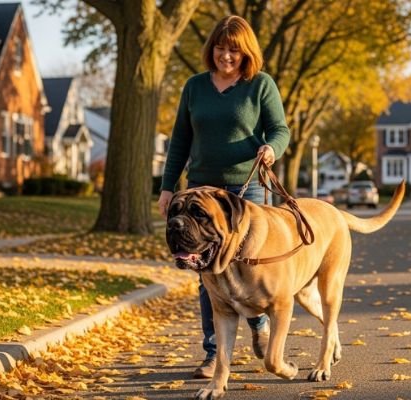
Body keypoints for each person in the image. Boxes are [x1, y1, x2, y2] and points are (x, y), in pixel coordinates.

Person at [157, 15, 290, 379]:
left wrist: (271, 149)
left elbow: (280, 129)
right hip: (201, 193)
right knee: (207, 273)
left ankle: (259, 324)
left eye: (234, 49)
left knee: (253, 268)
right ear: (211, 48)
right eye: (220, 47)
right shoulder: (194, 87)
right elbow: (180, 141)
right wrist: (168, 188)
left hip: (247, 191)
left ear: (246, 52)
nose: (226, 56)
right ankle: (214, 352)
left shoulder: (260, 85)